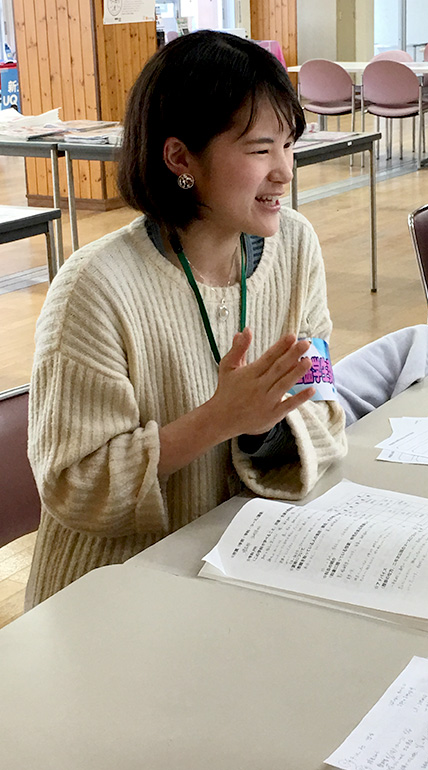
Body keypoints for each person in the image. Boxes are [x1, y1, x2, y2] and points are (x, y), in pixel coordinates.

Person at [24, 31, 348, 608]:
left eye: (289, 145)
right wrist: (216, 420)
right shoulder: (95, 288)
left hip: (239, 564)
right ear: (180, 158)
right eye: (259, 150)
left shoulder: (296, 247)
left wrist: (261, 426)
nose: (285, 172)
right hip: (111, 594)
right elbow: (73, 487)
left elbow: (321, 405)